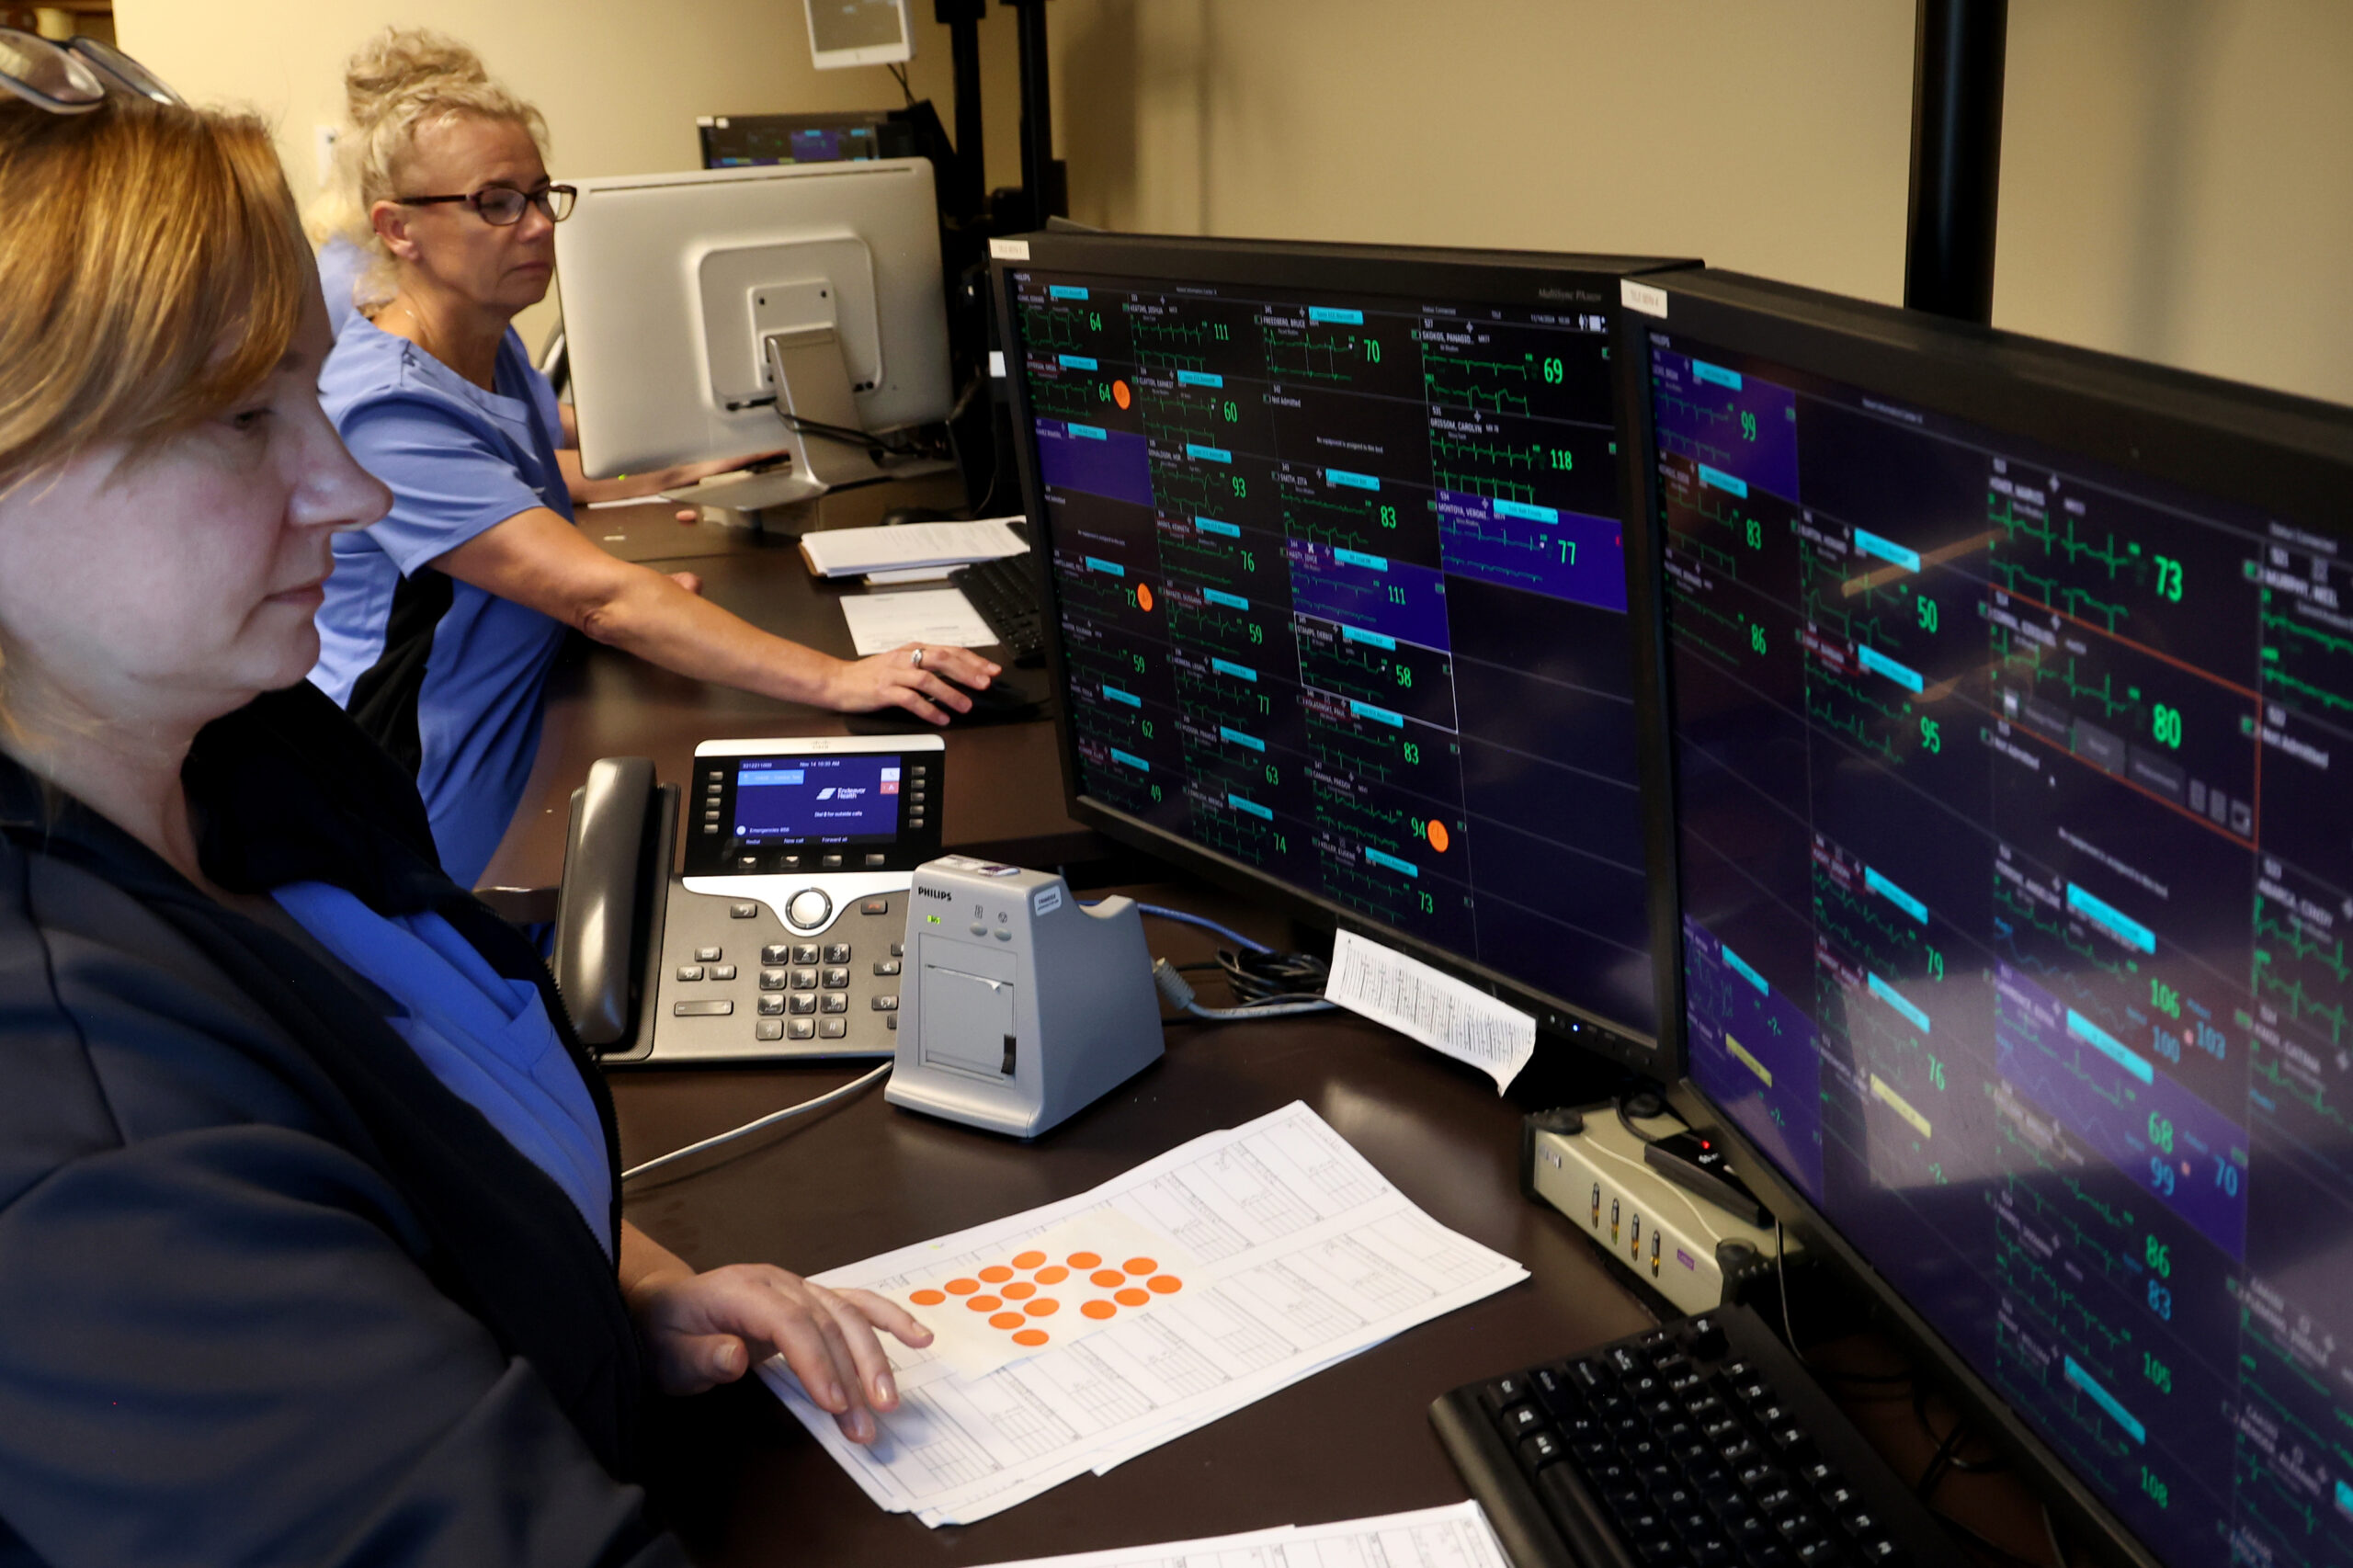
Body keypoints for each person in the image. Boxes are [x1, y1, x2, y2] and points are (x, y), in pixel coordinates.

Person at [0, 37, 927, 1565]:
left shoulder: (251, 749)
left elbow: (415, 1139)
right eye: (241, 419)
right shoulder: (78, 1122)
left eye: (307, 388)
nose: (352, 493)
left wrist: (614, 1293)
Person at [309, 28, 998, 886]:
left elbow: (528, 519)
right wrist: (841, 682)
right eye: (495, 203)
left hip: (520, 708)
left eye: (537, 196)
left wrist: (645, 507)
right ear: (398, 230)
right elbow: (599, 600)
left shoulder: (481, 337)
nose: (534, 228)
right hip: (421, 789)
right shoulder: (387, 407)